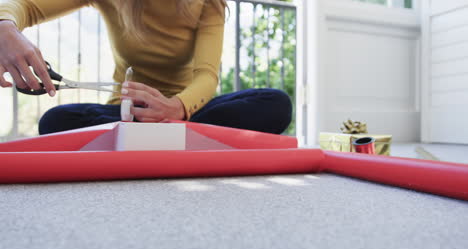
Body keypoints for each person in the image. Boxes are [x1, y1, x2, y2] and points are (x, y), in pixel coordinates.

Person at [0, 0, 292, 135]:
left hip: (186, 111)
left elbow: (206, 75)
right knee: (55, 121)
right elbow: (25, 6)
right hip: (127, 114)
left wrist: (176, 107)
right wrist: (5, 27)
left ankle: (146, 140)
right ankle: (177, 139)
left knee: (275, 103)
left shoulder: (207, 3)